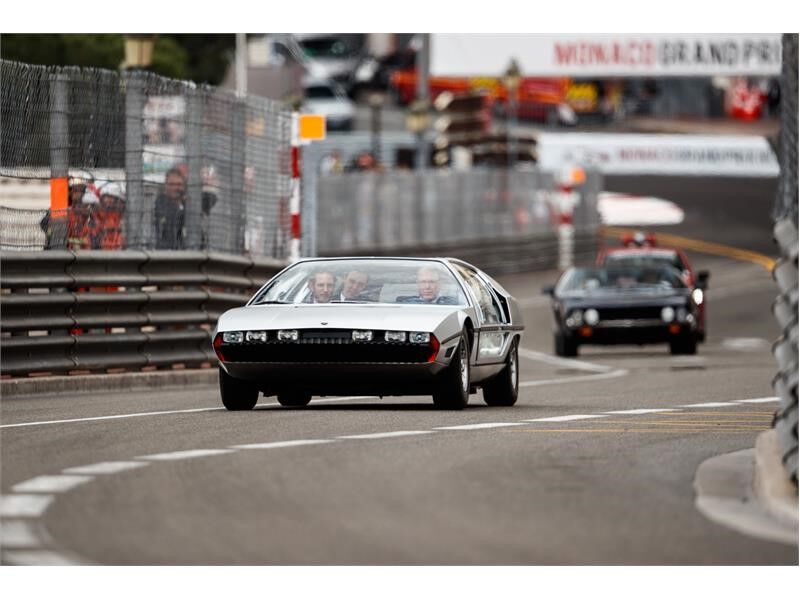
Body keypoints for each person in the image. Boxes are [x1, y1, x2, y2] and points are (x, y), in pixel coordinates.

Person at [154, 167, 186, 249]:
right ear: (166, 185)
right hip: (165, 255)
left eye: (179, 184)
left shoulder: (188, 206)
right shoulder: (160, 205)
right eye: (172, 184)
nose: (176, 188)